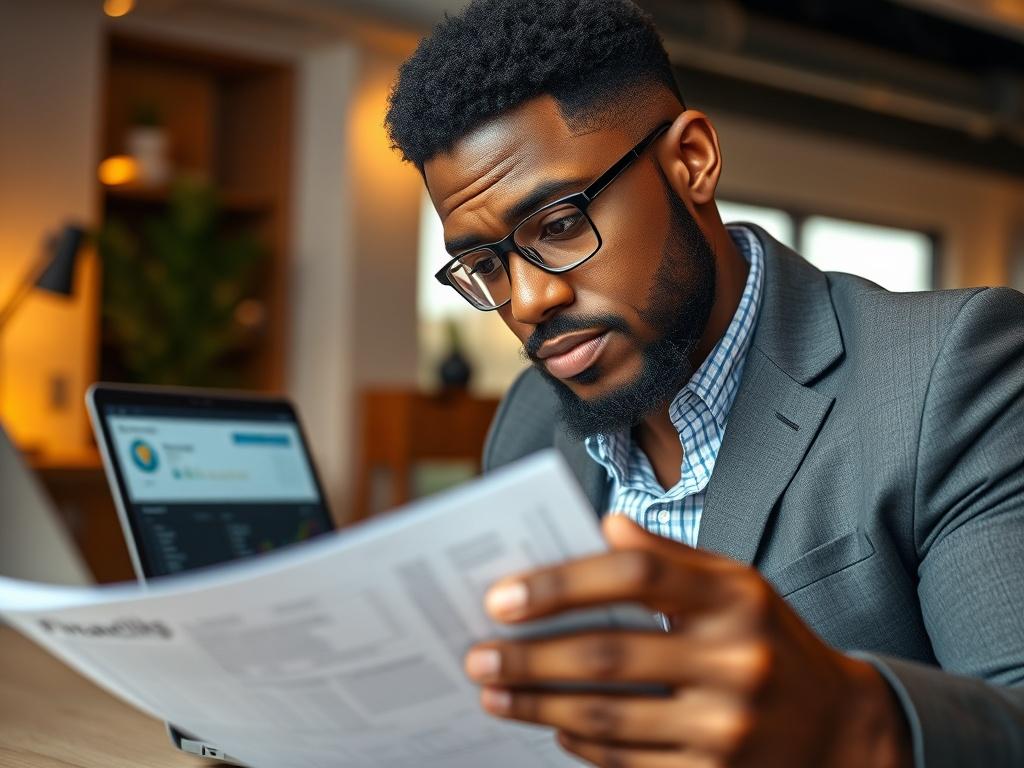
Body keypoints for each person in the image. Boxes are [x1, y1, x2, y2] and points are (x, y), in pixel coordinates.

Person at [384, 0, 1024, 765]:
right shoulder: (527, 424)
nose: (528, 303)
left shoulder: (952, 369)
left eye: (557, 225)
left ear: (691, 160)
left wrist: (856, 720)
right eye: (485, 265)